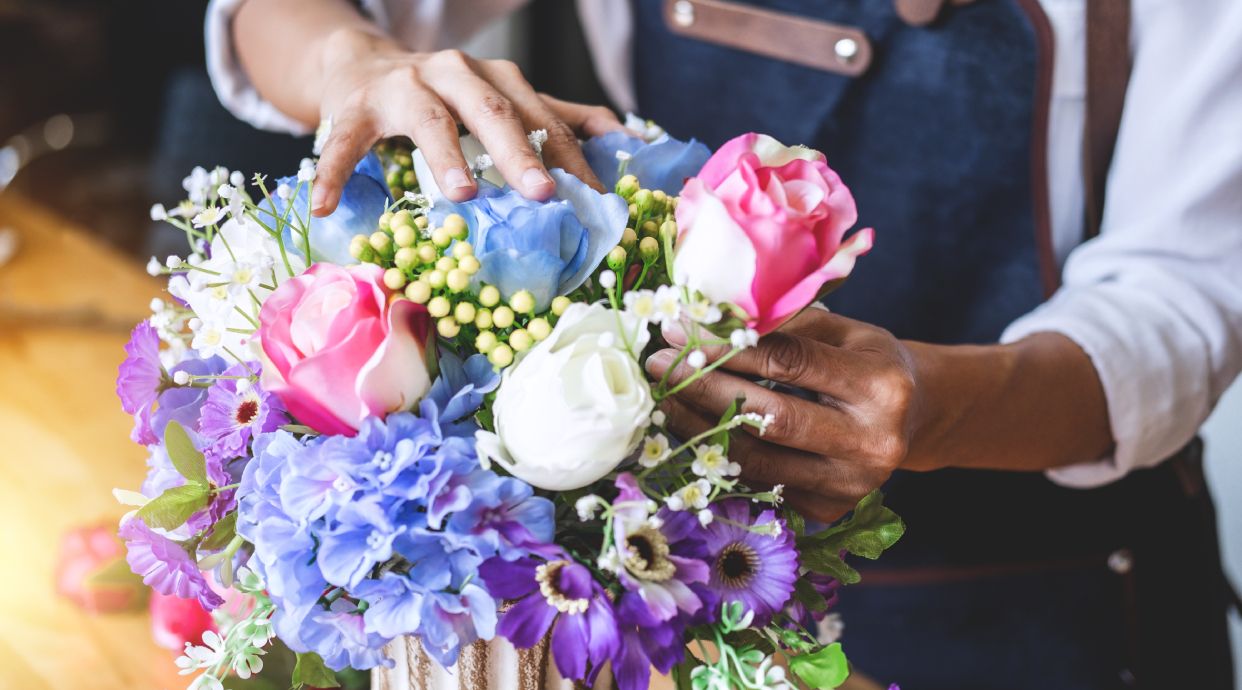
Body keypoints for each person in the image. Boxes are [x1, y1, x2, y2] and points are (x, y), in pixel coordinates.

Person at [206, 0, 1242, 687]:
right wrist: (360, 59)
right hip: (672, 603)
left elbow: (1186, 294)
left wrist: (934, 404)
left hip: (1047, 601)